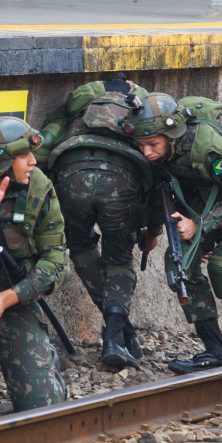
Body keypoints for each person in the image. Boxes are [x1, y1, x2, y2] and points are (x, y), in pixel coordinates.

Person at [121, 93, 222, 373]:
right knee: (179, 264)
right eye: (141, 145)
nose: (146, 152)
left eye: (152, 144)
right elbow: (164, 195)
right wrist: (156, 231)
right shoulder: (161, 155)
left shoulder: (207, 146)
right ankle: (214, 350)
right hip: (208, 193)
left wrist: (202, 226)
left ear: (172, 135)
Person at [37, 76, 154, 369]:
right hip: (123, 176)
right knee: (118, 259)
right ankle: (116, 335)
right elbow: (159, 174)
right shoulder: (146, 108)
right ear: (131, 85)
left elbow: (44, 145)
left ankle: (121, 330)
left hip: (71, 171)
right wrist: (153, 229)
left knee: (80, 246)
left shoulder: (77, 104)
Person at [0, 116, 68, 411]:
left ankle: (43, 361)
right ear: (1, 161)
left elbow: (57, 260)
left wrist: (7, 298)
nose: (33, 161)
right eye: (24, 155)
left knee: (41, 405)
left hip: (10, 300)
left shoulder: (38, 187)